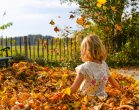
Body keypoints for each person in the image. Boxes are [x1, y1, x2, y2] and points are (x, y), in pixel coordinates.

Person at [70, 34, 120, 101]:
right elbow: (114, 84)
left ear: (85, 51)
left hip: (86, 99)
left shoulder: (84, 68)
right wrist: (120, 89)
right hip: (102, 97)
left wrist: (62, 94)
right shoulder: (104, 64)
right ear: (101, 48)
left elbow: (74, 88)